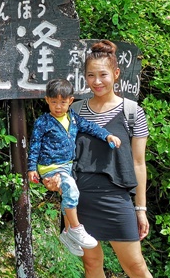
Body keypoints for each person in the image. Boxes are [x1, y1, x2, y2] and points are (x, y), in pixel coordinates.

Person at [43, 40, 170, 278]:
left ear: (116, 74)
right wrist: (53, 178)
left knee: (136, 266)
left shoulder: (132, 111)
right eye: (90, 75)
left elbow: (138, 163)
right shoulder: (75, 111)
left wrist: (141, 208)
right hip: (80, 196)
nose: (97, 81)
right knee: (92, 263)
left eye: (103, 74)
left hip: (117, 196)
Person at [27, 79, 122, 256]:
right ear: (47, 100)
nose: (58, 106)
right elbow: (35, 144)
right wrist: (32, 168)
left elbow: (91, 127)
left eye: (62, 102)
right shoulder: (43, 122)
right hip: (50, 167)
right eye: (54, 102)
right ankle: (76, 228)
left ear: (70, 101)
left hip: (67, 165)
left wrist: (107, 136)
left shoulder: (73, 118)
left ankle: (66, 234)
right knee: (72, 192)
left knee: (67, 195)